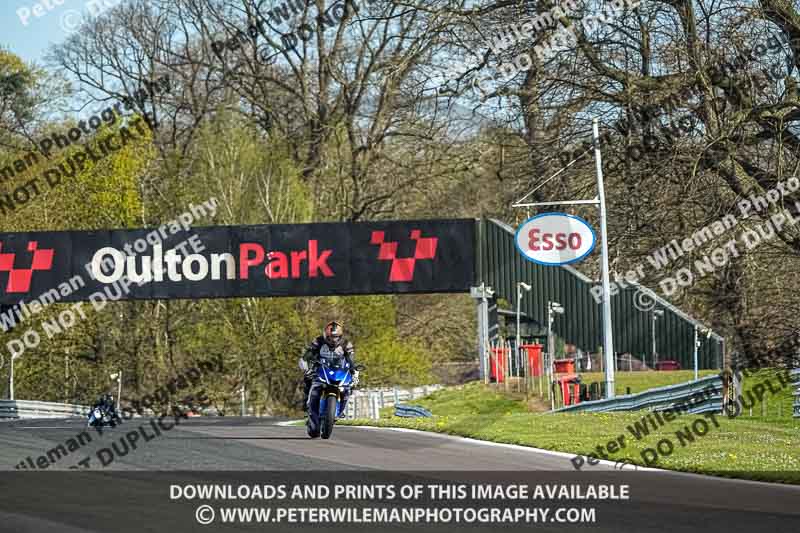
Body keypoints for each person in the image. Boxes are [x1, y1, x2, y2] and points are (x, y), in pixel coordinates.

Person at [300, 321, 358, 417]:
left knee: (350, 386)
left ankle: (341, 408)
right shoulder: (318, 341)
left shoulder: (346, 344)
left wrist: (354, 373)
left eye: (336, 337)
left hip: (339, 370)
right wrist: (307, 370)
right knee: (308, 379)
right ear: (326, 335)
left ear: (340, 336)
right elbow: (304, 358)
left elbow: (352, 362)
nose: (333, 340)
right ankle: (306, 402)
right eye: (331, 337)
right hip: (320, 368)